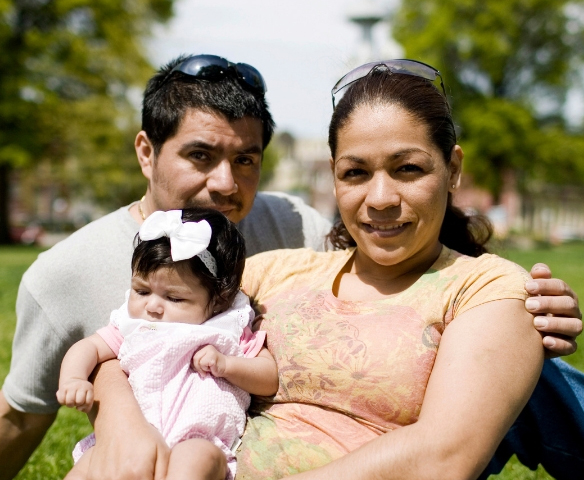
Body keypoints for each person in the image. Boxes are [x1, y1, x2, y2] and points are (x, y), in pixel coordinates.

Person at [0, 54, 580, 479]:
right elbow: (149, 333)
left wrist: (528, 318)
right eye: (355, 173)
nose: (379, 198)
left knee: (547, 383)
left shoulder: (485, 287)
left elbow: (442, 459)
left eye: (408, 168)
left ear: (453, 169)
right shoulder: (277, 268)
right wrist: (119, 411)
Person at [57, 208, 278, 480]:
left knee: (198, 458)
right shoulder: (133, 325)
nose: (152, 306)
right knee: (87, 467)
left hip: (198, 437)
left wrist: (228, 365)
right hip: (129, 434)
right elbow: (88, 347)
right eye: (141, 291)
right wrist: (73, 379)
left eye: (174, 298)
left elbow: (269, 378)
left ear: (220, 299)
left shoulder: (229, 326)